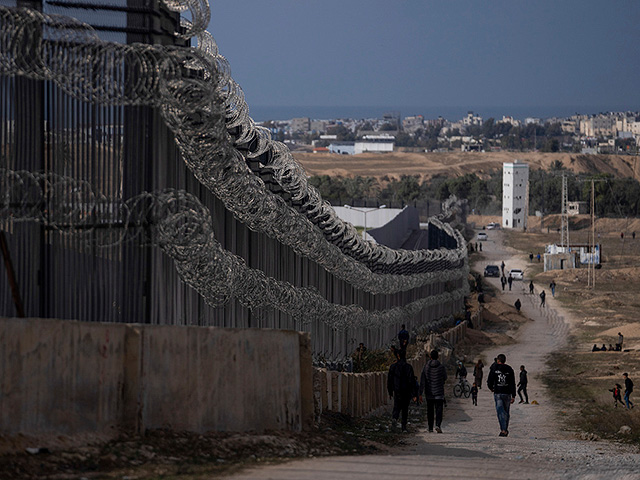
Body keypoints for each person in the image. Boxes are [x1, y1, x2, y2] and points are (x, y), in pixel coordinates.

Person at [487, 353, 517, 437]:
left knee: (500, 411)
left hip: (498, 393)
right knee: (506, 412)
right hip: (507, 394)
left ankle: (504, 429)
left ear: (498, 360)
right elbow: (512, 383)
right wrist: (513, 395)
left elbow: (489, 380)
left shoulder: (494, 368)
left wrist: (491, 388)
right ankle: (504, 429)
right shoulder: (509, 369)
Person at [387, 349, 416, 432]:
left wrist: (390, 391)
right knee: (405, 409)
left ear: (398, 356)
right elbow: (411, 381)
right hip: (406, 391)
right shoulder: (408, 367)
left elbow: (390, 380)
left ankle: (395, 418)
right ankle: (403, 427)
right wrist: (414, 394)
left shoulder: (393, 367)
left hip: (397, 390)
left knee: (396, 406)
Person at [419, 350, 447, 433]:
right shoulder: (441, 367)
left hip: (429, 392)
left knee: (430, 410)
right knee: (439, 410)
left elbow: (422, 380)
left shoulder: (426, 367)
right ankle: (438, 425)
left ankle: (430, 427)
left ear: (430, 357)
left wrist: (420, 393)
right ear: (438, 357)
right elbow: (445, 377)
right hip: (439, 392)